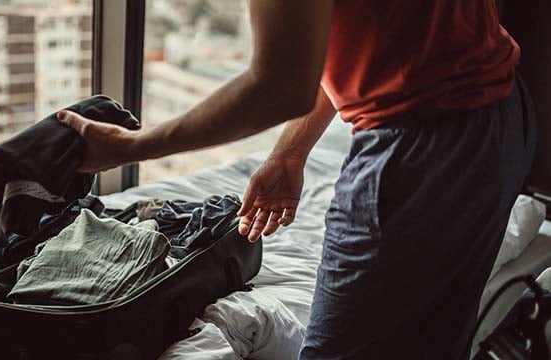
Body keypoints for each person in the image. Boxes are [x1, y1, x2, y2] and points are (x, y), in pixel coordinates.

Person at [57, 1, 536, 358]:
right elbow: (345, 30)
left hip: (422, 150)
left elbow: (278, 85)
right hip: (498, 112)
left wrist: (130, 148)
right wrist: (290, 151)